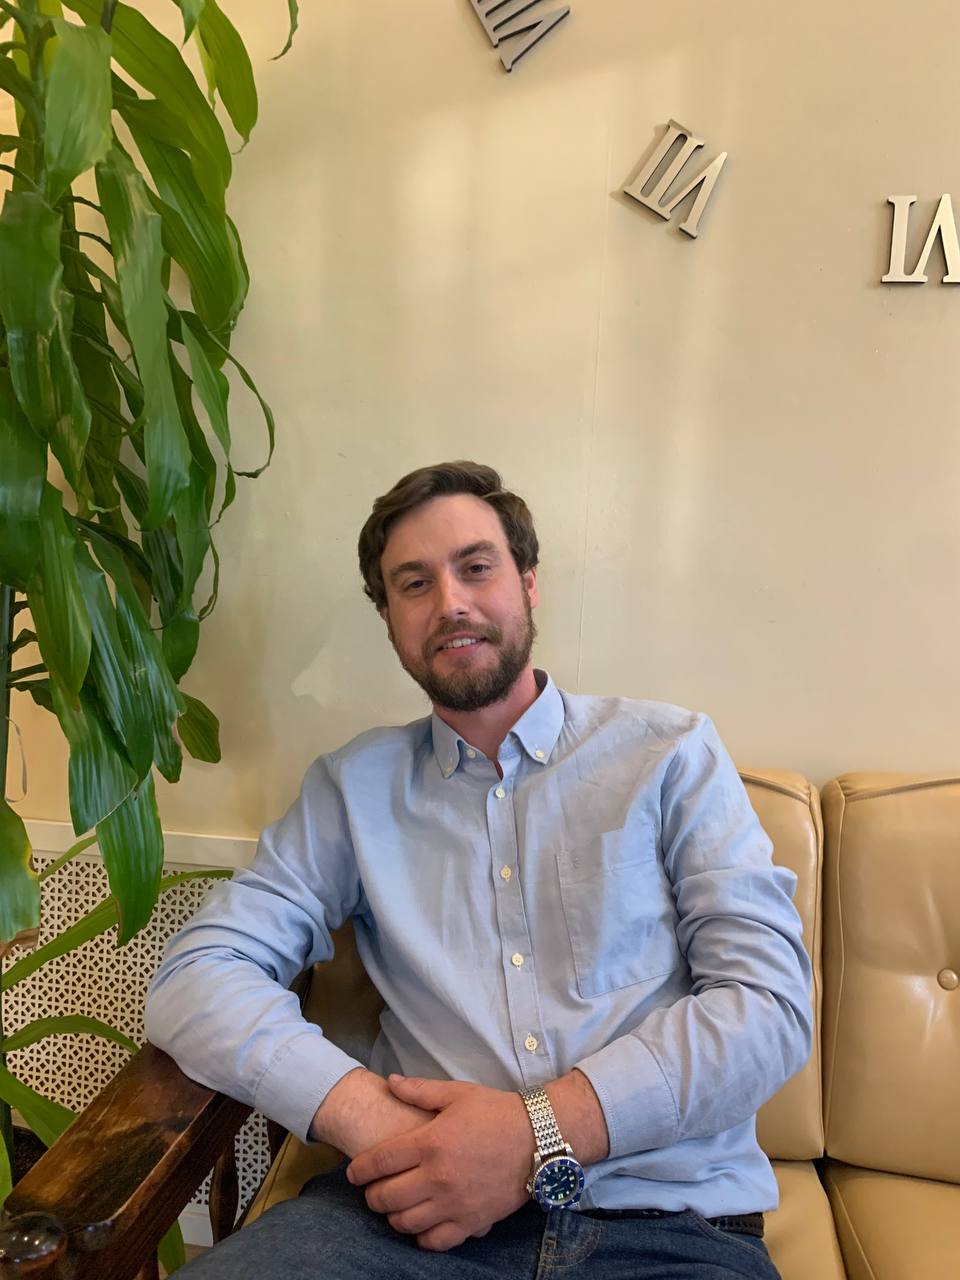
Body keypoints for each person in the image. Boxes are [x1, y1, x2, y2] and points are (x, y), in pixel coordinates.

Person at [146, 461, 812, 1280]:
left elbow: (769, 1005)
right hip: (403, 1226)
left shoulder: (671, 755)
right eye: (413, 583)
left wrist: (535, 1133)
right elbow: (197, 976)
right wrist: (375, 1120)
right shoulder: (350, 791)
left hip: (666, 1226)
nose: (450, 602)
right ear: (388, 619)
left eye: (476, 567)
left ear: (528, 583)